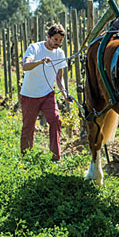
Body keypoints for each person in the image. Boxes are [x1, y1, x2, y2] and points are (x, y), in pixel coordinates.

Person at [19, 24, 72, 161]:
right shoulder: (35, 48)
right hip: (29, 94)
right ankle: (26, 158)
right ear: (48, 37)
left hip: (48, 94)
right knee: (28, 128)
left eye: (60, 41)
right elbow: (25, 66)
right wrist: (40, 62)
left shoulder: (60, 53)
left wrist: (65, 94)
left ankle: (55, 158)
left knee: (56, 121)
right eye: (55, 40)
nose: (58, 43)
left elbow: (59, 78)